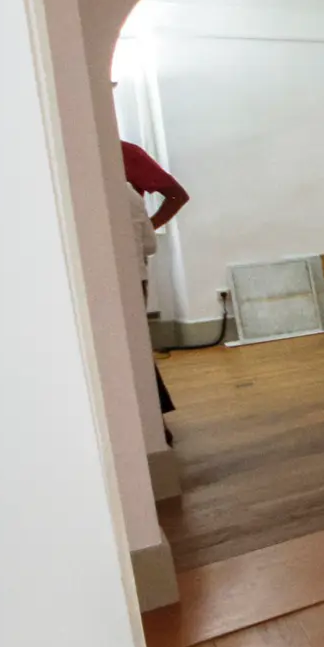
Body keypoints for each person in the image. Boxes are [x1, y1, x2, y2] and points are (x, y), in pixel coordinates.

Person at [121, 140, 189, 439]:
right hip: (124, 262)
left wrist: (144, 228)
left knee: (133, 342)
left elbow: (177, 195)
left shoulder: (124, 152)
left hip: (128, 263)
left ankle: (152, 422)